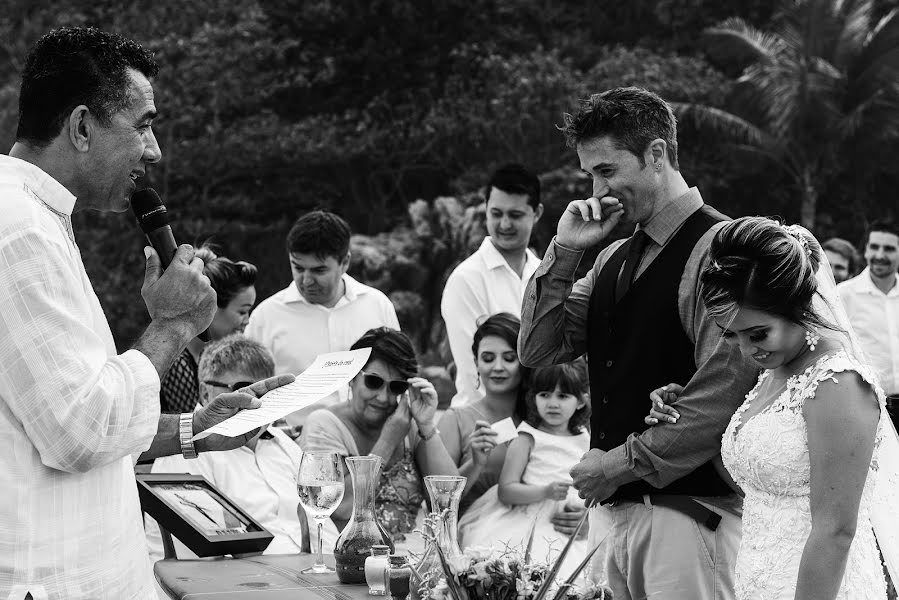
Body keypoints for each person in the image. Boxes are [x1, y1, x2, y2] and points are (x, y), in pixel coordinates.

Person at [0, 27, 293, 599]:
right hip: (50, 580)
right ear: (82, 127)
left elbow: (68, 416)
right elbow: (80, 432)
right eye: (143, 125)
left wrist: (196, 430)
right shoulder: (17, 232)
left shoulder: (36, 217)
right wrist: (174, 326)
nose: (154, 150)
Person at [519, 87, 759, 599]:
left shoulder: (721, 248)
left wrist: (615, 465)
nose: (597, 190)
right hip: (615, 520)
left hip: (690, 521)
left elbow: (724, 392)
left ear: (656, 155)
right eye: (590, 174)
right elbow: (538, 352)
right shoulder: (610, 258)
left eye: (606, 170)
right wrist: (563, 251)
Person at [648, 217, 889, 599]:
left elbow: (836, 531)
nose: (746, 351)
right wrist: (683, 406)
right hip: (757, 582)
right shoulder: (773, 373)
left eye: (758, 334)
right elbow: (756, 483)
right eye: (732, 335)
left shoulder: (837, 385)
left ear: (797, 306)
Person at [147, 335, 339, 560]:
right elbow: (198, 559)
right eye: (242, 389)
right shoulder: (187, 452)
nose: (256, 400)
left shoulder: (284, 445)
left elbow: (323, 524)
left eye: (268, 391)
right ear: (205, 392)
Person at [299, 327, 458, 553]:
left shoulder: (407, 423)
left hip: (417, 556)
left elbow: (447, 494)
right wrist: (388, 441)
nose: (383, 397)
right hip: (352, 559)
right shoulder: (324, 424)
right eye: (374, 382)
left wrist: (426, 425)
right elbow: (335, 507)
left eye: (396, 386)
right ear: (352, 378)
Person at [246, 210, 400, 429]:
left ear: (345, 262)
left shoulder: (378, 305)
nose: (306, 280)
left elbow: (398, 377)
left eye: (319, 270)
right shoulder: (265, 316)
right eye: (298, 267)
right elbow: (247, 392)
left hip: (368, 443)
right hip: (294, 448)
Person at [438, 313, 587, 534]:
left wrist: (585, 520)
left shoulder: (553, 418)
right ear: (476, 364)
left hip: (550, 535)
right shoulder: (455, 420)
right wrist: (476, 464)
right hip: (478, 538)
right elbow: (439, 504)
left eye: (509, 358)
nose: (498, 367)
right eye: (488, 358)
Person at [458, 361, 591, 577]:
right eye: (545, 395)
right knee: (527, 573)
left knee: (573, 575)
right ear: (534, 397)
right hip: (527, 520)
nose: (553, 403)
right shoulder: (527, 437)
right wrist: (545, 492)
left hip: (567, 523)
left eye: (563, 396)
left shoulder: (586, 439)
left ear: (580, 401)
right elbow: (506, 490)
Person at [441, 164, 543, 406]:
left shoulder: (544, 274)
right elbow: (471, 373)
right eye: (496, 214)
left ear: (536, 213)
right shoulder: (466, 279)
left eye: (515, 215)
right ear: (485, 210)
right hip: (482, 424)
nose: (504, 224)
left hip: (540, 419)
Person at [160, 245, 258, 413]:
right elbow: (191, 430)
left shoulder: (200, 356)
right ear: (211, 305)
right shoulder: (177, 363)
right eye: (242, 311)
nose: (247, 320)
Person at [838, 221, 899, 427]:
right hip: (868, 405)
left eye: (889, 249)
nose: (880, 255)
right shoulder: (844, 295)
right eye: (874, 247)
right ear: (865, 251)